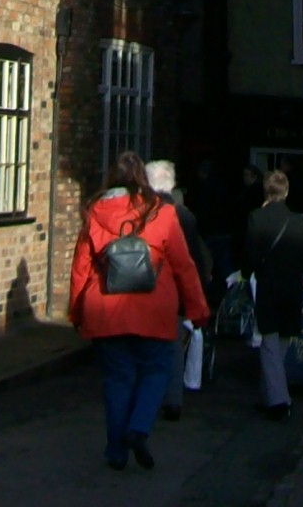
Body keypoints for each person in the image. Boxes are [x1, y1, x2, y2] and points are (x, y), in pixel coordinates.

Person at [69, 151, 210, 471]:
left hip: (105, 310)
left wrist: (77, 312)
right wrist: (197, 308)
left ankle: (116, 452)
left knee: (117, 380)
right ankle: (139, 428)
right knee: (157, 370)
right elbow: (183, 266)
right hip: (153, 309)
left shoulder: (95, 213)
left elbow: (81, 267)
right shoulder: (162, 213)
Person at [239, 169, 303, 420]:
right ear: (287, 192)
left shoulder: (256, 218)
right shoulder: (299, 221)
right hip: (292, 287)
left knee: (269, 343)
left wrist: (247, 273)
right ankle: (267, 395)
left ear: (265, 191)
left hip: (269, 286)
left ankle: (279, 401)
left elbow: (249, 255)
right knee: (280, 344)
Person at [145, 159, 211, 421]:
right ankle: (172, 399)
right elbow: (192, 261)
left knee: (147, 348)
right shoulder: (184, 217)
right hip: (173, 295)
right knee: (172, 348)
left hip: (143, 290)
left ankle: (147, 397)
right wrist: (198, 298)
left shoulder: (142, 213)